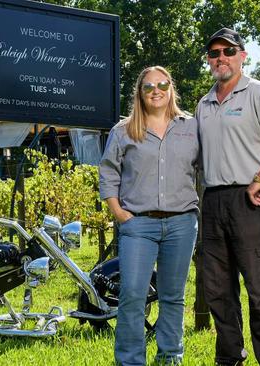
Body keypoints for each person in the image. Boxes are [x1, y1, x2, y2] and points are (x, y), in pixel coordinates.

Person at [196, 27, 260, 366]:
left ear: (242, 55)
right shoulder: (203, 104)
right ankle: (229, 360)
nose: (221, 57)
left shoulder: (259, 93)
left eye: (228, 51)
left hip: (250, 202)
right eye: (214, 52)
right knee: (218, 292)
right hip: (212, 203)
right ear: (209, 60)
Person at [99, 66, 199, 365]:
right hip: (138, 224)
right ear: (139, 93)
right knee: (132, 294)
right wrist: (118, 211)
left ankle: (170, 356)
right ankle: (130, 360)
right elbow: (108, 172)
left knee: (173, 295)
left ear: (171, 89)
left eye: (162, 84)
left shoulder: (191, 127)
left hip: (182, 223)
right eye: (148, 86)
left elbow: (209, 167)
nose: (156, 90)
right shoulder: (123, 131)